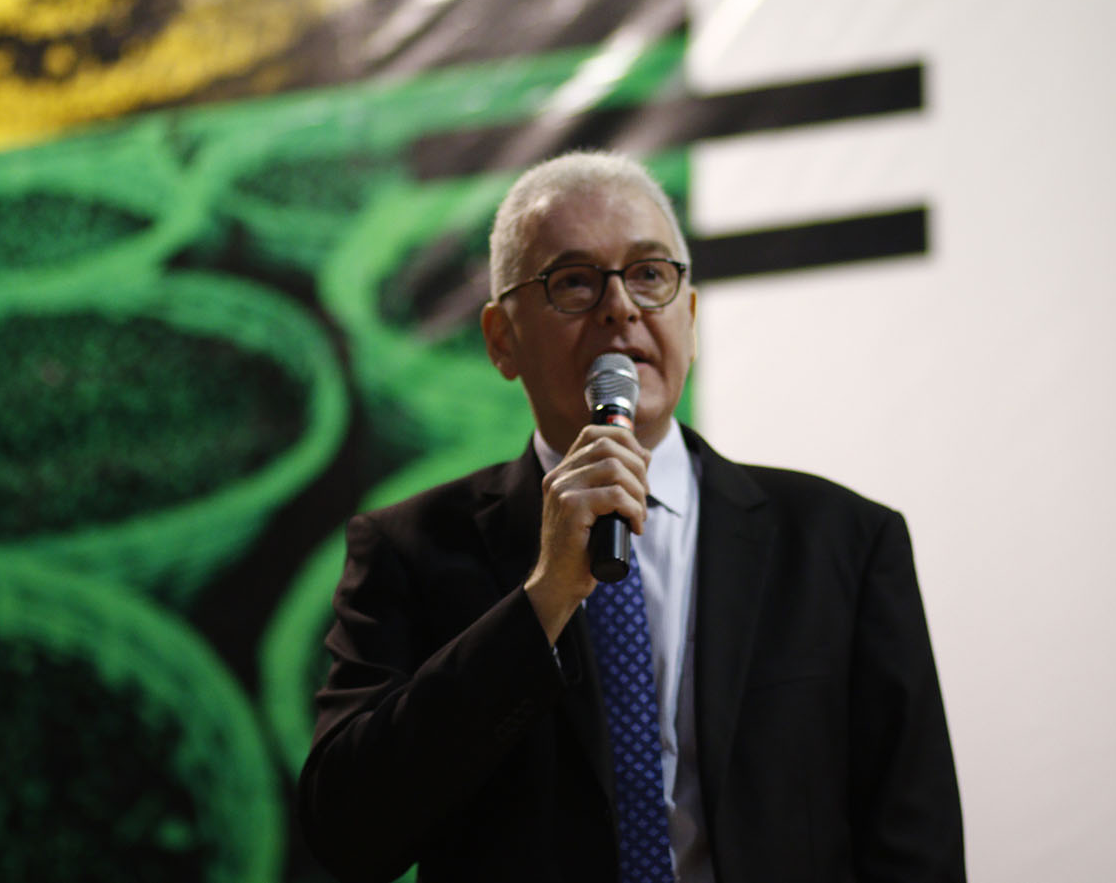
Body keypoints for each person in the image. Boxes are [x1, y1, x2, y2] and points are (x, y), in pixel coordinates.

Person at [299, 151, 965, 882]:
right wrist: (544, 599)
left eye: (649, 274)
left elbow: (916, 842)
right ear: (500, 339)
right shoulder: (409, 550)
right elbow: (348, 834)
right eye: (573, 281)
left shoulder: (842, 541)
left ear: (690, 317)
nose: (620, 306)